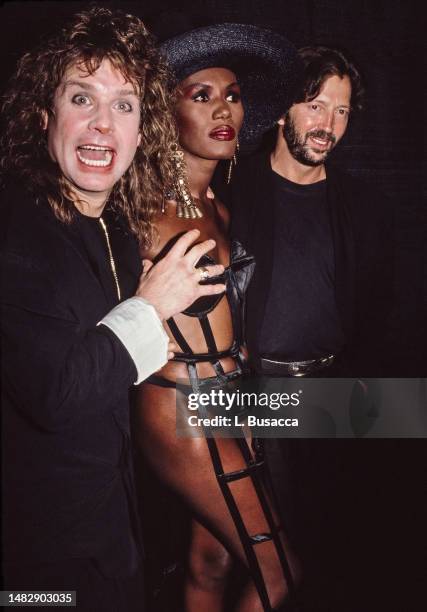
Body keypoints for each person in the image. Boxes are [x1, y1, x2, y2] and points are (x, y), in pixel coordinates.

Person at [0, 8, 226, 610]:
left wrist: (156, 323)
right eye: (83, 98)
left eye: (124, 105)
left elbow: (104, 347)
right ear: (45, 116)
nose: (104, 123)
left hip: (115, 531)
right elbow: (56, 394)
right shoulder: (16, 230)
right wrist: (150, 309)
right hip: (37, 569)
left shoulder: (115, 231)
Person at [132, 23, 302, 612]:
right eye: (200, 95)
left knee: (213, 561)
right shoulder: (141, 216)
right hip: (181, 405)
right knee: (278, 572)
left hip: (234, 394)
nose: (223, 108)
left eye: (231, 94)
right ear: (165, 112)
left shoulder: (218, 205)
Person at [229, 46, 394, 609]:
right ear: (282, 109)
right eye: (315, 104)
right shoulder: (232, 191)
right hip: (249, 397)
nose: (328, 125)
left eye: (342, 111)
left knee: (321, 559)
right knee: (233, 557)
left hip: (329, 396)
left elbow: (381, 316)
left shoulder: (363, 207)